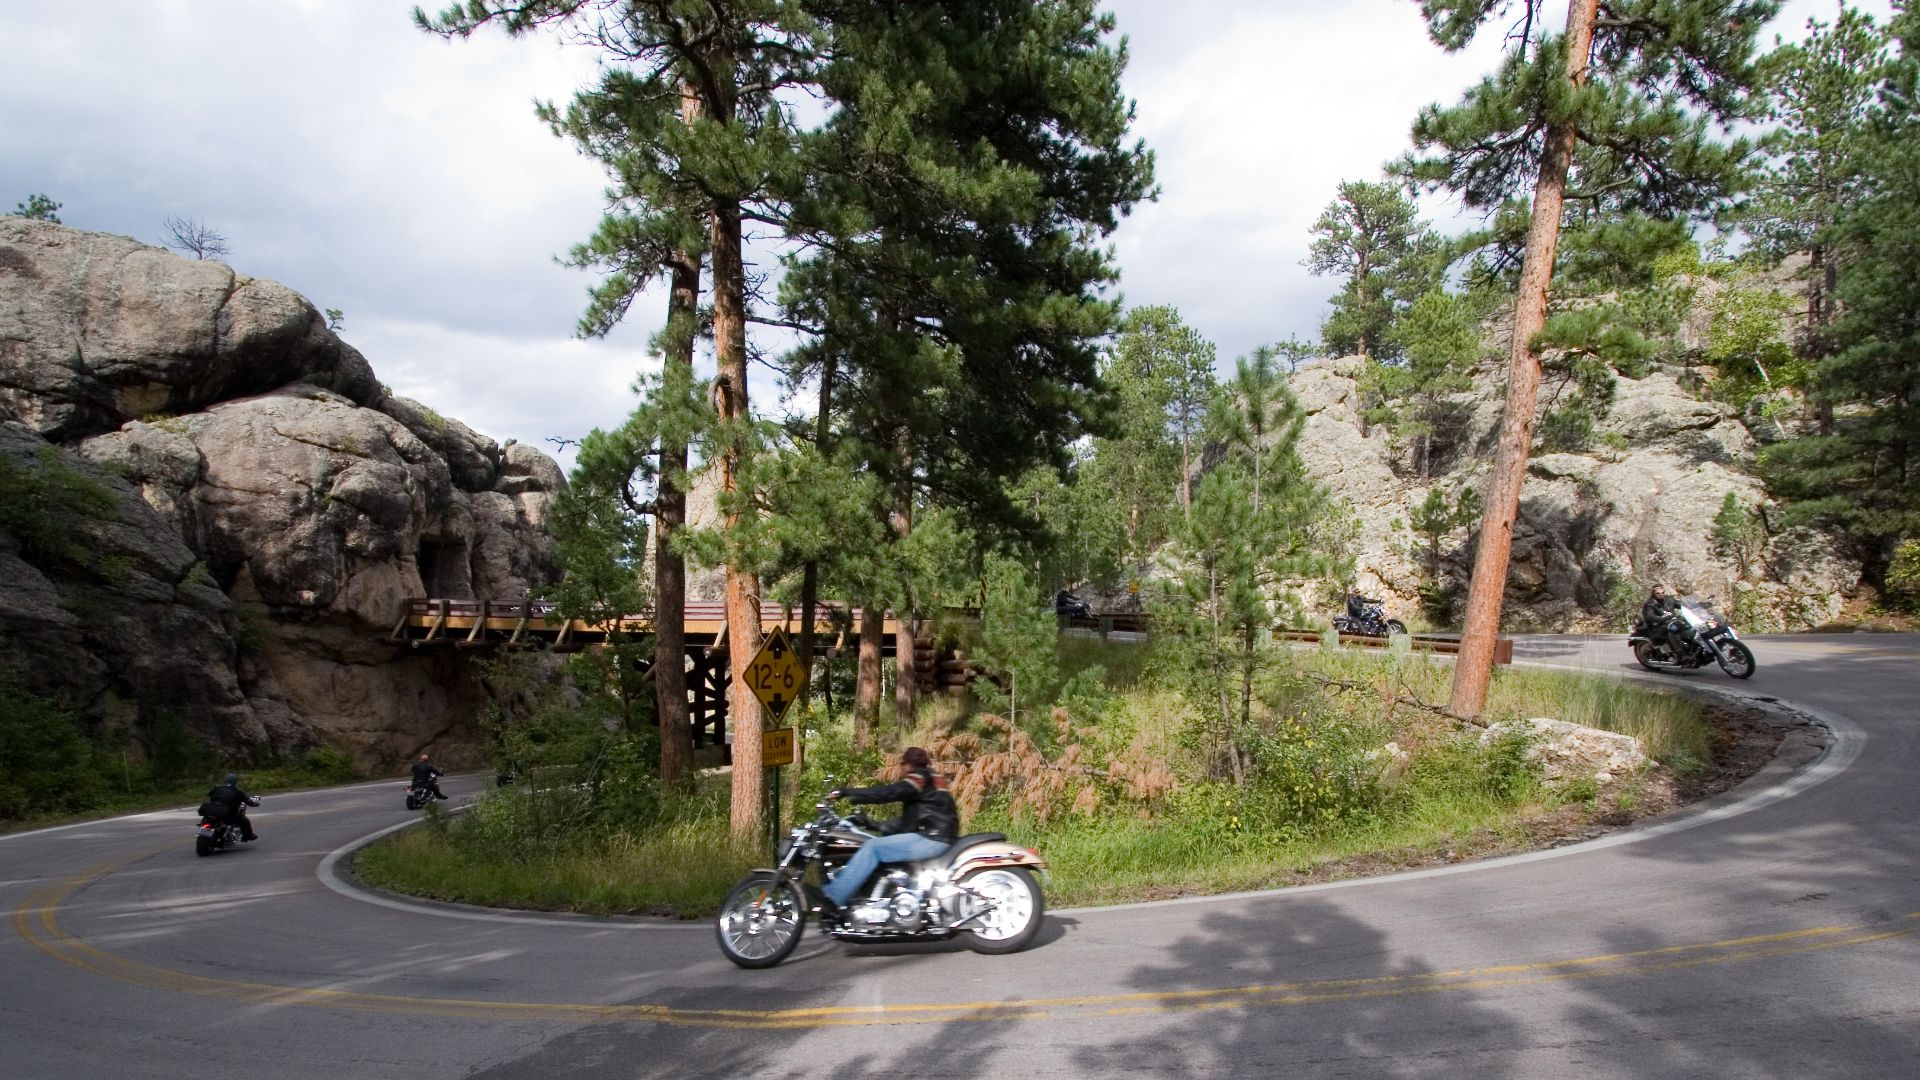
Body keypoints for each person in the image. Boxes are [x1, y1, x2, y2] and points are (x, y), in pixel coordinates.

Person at [820, 747, 960, 916]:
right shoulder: (932, 780)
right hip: (935, 835)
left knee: (872, 847)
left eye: (902, 764)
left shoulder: (921, 777)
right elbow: (907, 824)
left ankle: (833, 898)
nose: (901, 769)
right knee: (874, 844)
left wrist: (847, 792)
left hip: (933, 838)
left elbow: (889, 792)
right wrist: (872, 824)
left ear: (908, 765)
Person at [205, 772, 257, 841]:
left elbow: (209, 794)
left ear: (226, 781)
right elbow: (248, 801)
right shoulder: (238, 791)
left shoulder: (217, 788)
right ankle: (248, 836)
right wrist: (255, 804)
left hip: (213, 811)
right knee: (245, 820)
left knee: (206, 819)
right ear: (235, 782)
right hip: (228, 814)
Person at [1641, 584, 1686, 659]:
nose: (1661, 594)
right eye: (1658, 593)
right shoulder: (1650, 604)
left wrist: (1699, 605)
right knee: (1670, 630)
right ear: (1653, 593)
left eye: (1662, 592)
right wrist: (1662, 618)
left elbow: (1681, 604)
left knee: (1688, 625)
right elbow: (1650, 616)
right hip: (1658, 626)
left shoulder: (1669, 599)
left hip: (1673, 622)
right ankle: (1680, 653)